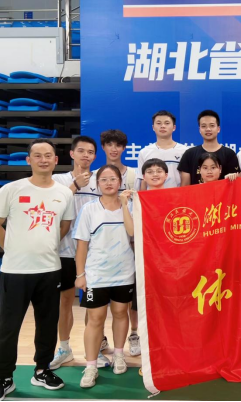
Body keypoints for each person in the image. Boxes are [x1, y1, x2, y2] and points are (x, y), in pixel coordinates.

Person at [0, 139, 75, 399]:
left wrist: (49, 244)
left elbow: (65, 225)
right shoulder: (11, 189)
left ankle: (42, 370)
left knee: (47, 324)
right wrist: (9, 247)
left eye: (48, 155)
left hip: (50, 269)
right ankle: (5, 376)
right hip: (15, 270)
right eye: (38, 155)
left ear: (56, 160)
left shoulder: (64, 193)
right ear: (28, 160)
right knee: (8, 327)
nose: (43, 160)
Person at [51, 136, 112, 370]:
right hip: (65, 251)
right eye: (81, 151)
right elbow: (54, 206)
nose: (86, 155)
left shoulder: (101, 179)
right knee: (65, 302)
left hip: (94, 254)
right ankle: (64, 348)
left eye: (90, 152)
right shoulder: (59, 180)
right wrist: (75, 186)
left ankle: (93, 350)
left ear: (95, 156)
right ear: (72, 154)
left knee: (93, 305)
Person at [74, 166, 135, 389]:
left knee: (120, 313)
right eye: (104, 179)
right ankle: (91, 366)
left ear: (120, 182)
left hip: (125, 273)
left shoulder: (130, 206)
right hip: (96, 274)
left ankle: (119, 355)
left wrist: (126, 204)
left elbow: (133, 234)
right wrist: (80, 274)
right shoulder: (89, 209)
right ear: (97, 183)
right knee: (95, 319)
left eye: (113, 179)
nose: (109, 183)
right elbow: (82, 245)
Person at [99, 129, 141, 358]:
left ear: (124, 148)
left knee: (130, 299)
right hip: (103, 247)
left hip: (131, 244)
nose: (114, 149)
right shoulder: (97, 175)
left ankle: (134, 334)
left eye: (118, 145)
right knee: (97, 305)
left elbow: (142, 205)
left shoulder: (134, 175)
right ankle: (100, 338)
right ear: (103, 147)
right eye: (109, 144)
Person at [178, 110, 240, 186]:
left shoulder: (229, 154)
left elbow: (234, 183)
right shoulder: (189, 154)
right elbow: (185, 186)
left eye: (212, 125)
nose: (208, 129)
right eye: (204, 126)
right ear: (199, 129)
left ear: (218, 129)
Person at [136, 111, 189, 190]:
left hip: (176, 196)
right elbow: (143, 180)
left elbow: (186, 179)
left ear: (174, 127)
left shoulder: (185, 151)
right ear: (153, 127)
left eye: (167, 123)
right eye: (158, 123)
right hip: (152, 196)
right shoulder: (144, 152)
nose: (163, 126)